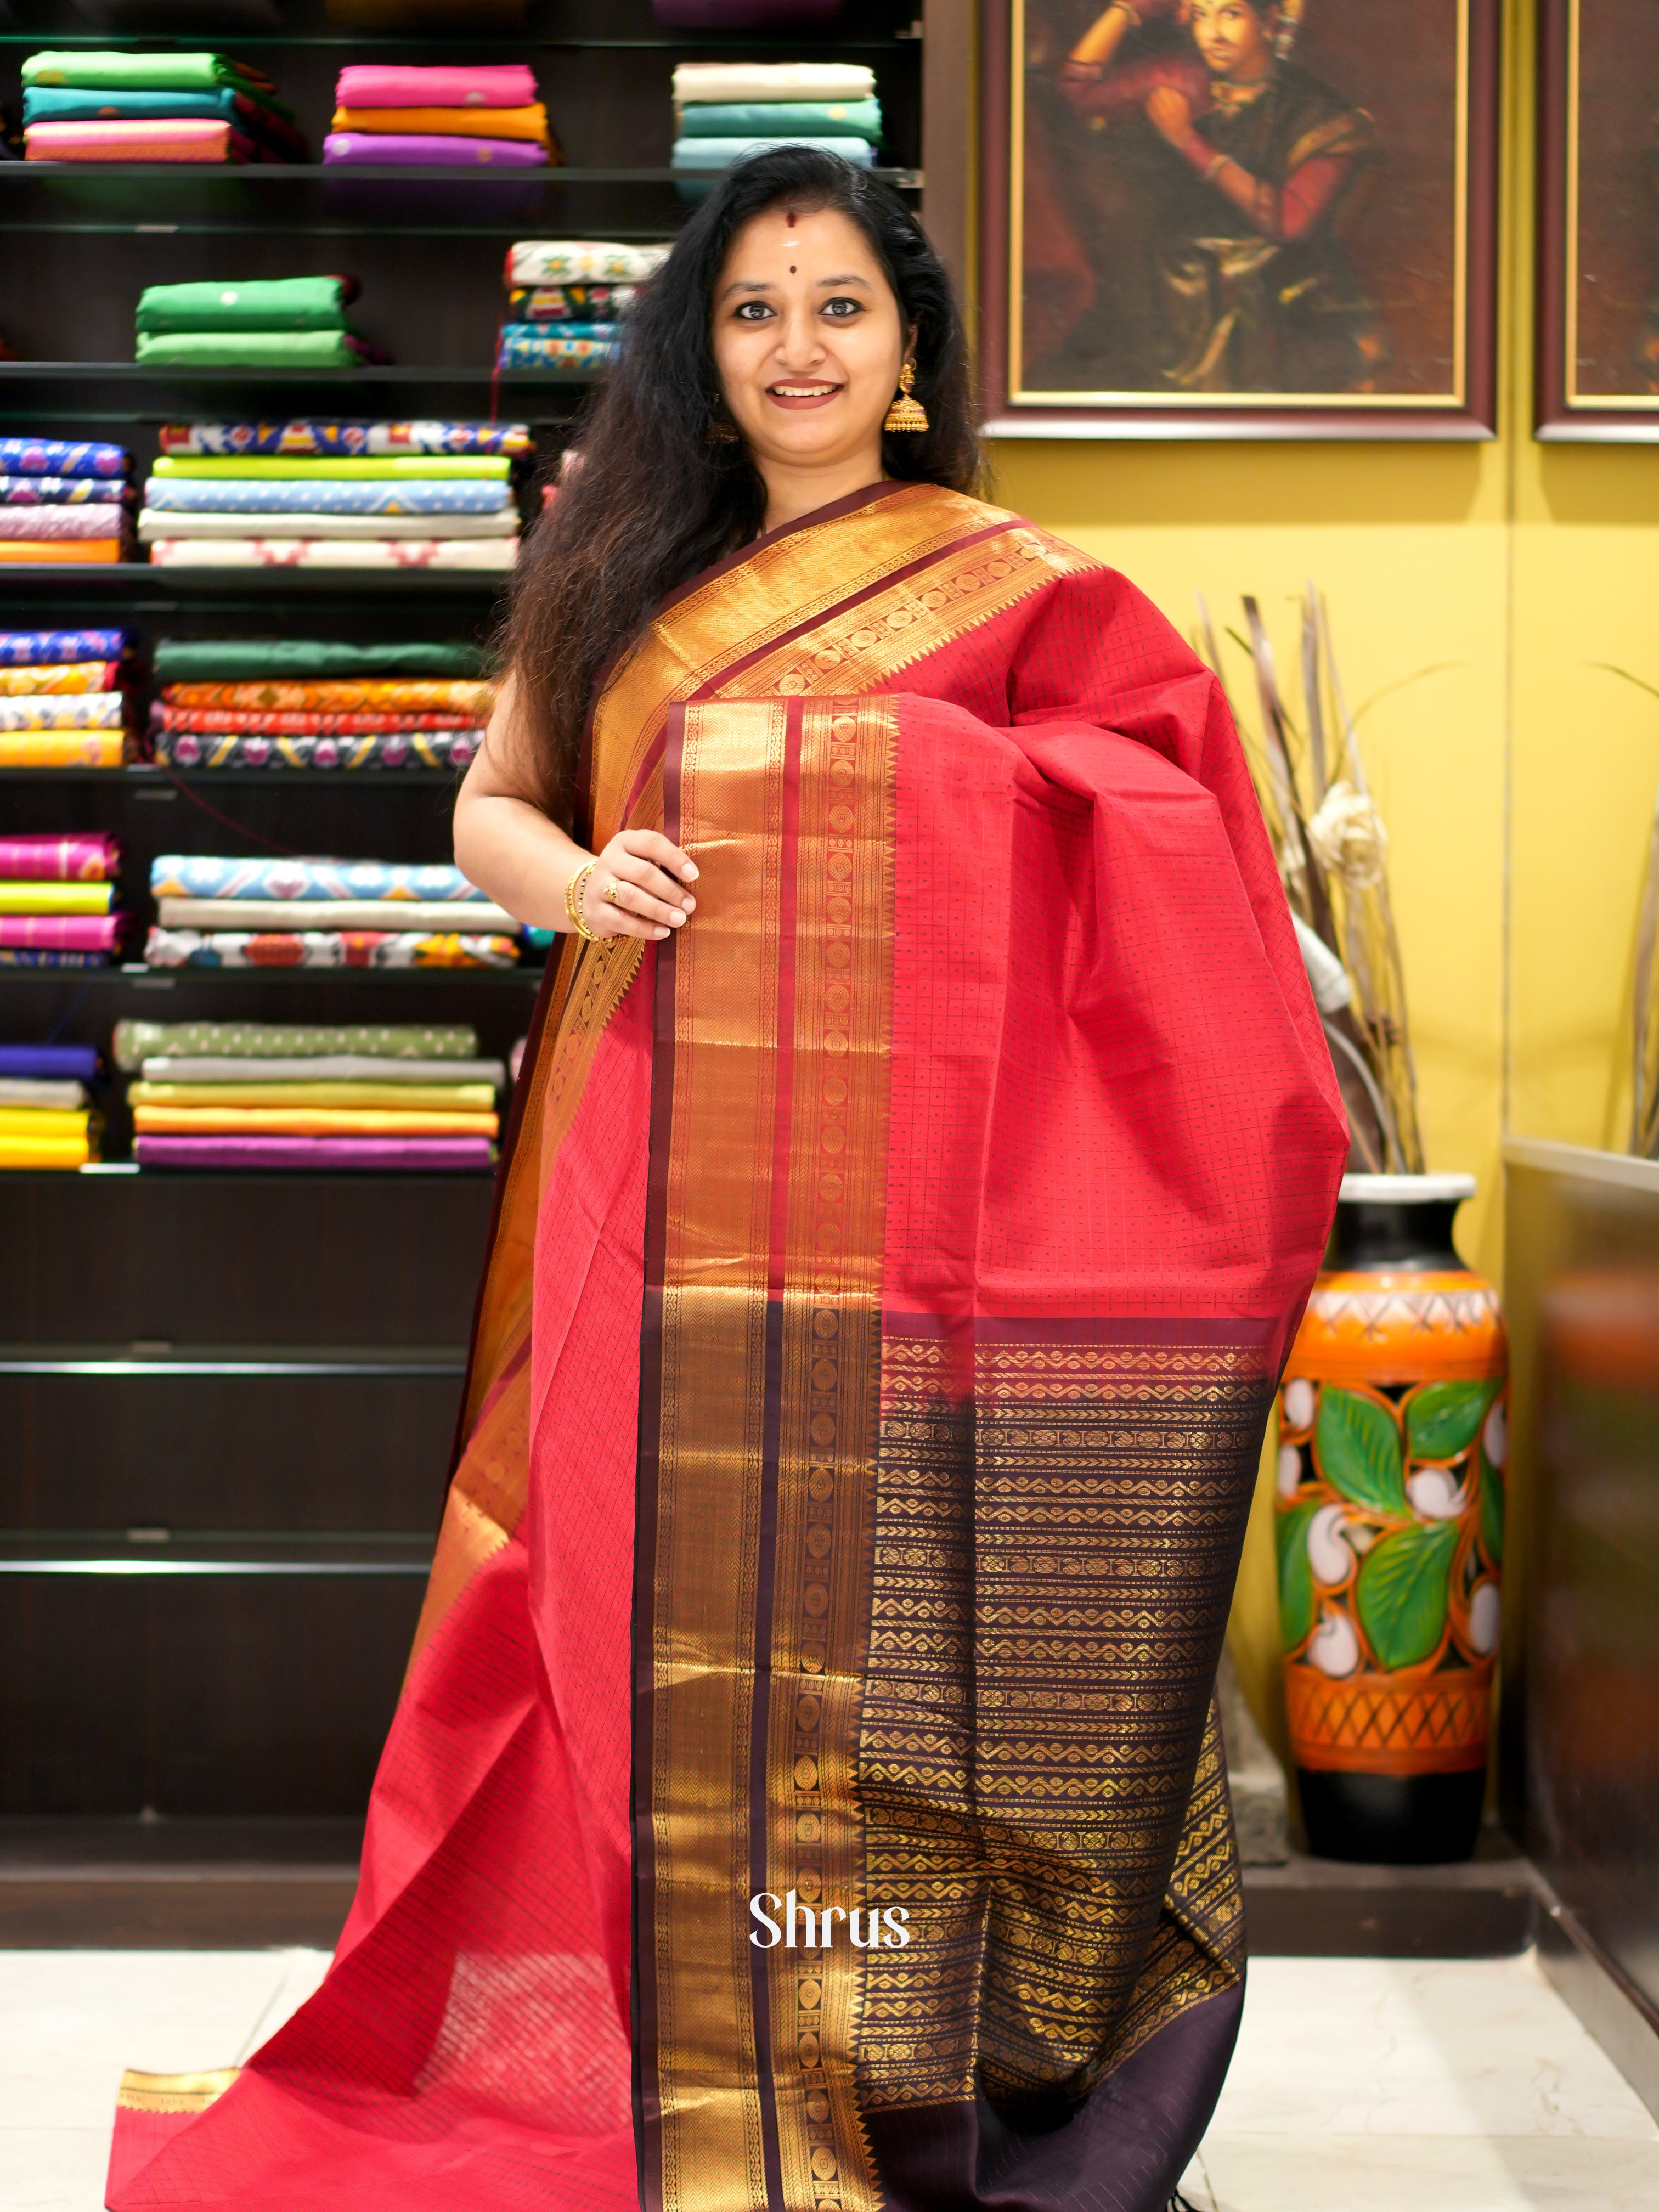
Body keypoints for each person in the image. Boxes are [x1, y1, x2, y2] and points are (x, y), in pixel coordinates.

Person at [106, 146, 1345, 2212]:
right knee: (614, 1610)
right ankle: (686, 2055)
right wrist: (591, 874)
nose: (795, 344)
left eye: (837, 304)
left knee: (900, 1636)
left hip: (916, 1225)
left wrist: (870, 792)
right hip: (653, 1186)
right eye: (753, 307)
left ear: (908, 349)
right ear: (700, 345)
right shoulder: (619, 568)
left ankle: (919, 2085)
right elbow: (489, 804)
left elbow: (1158, 815)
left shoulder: (1014, 580)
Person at [1039, 0, 1386, 392]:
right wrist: (1126, 10)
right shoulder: (1182, 76)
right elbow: (1076, 90)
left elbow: (1289, 221)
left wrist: (1189, 143)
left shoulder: (1320, 114)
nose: (1212, 34)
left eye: (1231, 14)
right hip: (1174, 285)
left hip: (1281, 288)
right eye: (1201, 15)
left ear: (1270, 19)